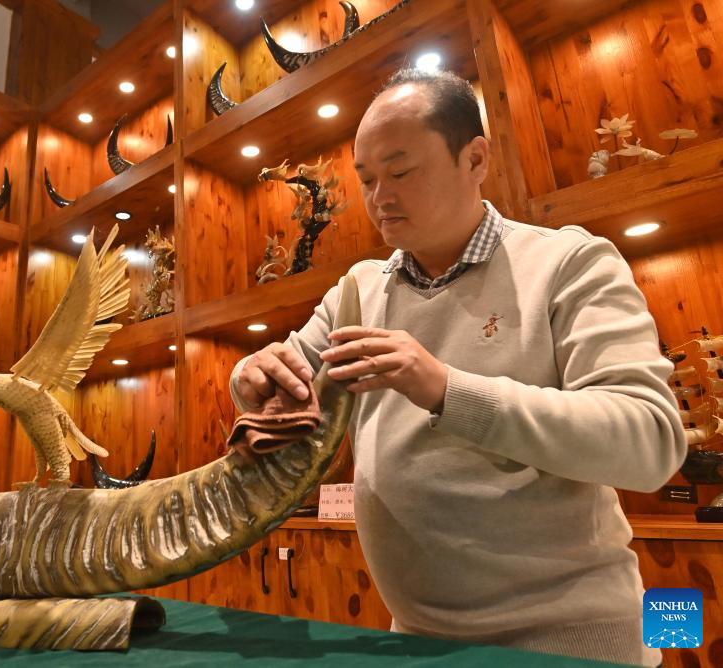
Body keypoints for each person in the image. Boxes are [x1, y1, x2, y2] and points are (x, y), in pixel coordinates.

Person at [230, 68, 685, 667]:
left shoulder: (569, 262)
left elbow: (649, 442)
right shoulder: (359, 290)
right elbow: (287, 386)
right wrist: (254, 382)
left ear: (475, 159)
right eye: (366, 179)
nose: (378, 198)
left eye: (400, 171)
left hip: (573, 640)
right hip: (415, 638)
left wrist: (445, 388)